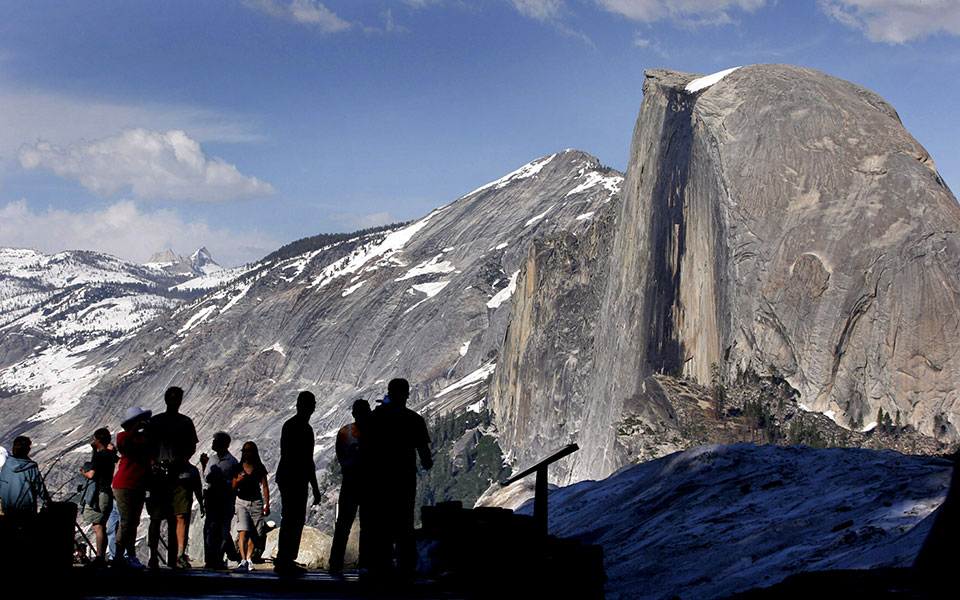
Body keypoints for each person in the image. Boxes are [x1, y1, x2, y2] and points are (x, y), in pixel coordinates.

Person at [366, 379, 432, 577]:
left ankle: (379, 564)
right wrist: (426, 462)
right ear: (407, 395)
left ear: (389, 392)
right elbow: (424, 453)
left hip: (380, 477)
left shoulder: (376, 418)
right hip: (404, 477)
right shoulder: (414, 419)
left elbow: (366, 448)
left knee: (380, 521)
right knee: (404, 521)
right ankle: (406, 565)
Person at [147, 386, 199, 569]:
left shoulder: (185, 422)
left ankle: (178, 554)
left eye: (176, 398)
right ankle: (154, 555)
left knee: (180, 516)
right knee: (157, 517)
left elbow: (192, 447)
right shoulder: (157, 422)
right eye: (172, 398)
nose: (174, 401)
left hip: (179, 475)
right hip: (161, 476)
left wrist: (178, 460)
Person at [274, 391, 322, 576]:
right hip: (295, 478)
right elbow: (307, 460)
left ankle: (285, 557)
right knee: (293, 519)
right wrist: (315, 488)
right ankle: (285, 558)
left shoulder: (291, 425)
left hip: (289, 477)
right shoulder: (301, 428)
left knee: (291, 518)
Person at [328, 399, 371, 576]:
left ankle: (346, 562)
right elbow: (340, 456)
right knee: (347, 524)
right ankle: (338, 562)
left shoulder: (362, 432)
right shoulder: (346, 432)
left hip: (362, 482)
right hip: (355, 482)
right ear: (354, 414)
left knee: (362, 525)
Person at [112, 406, 153, 569]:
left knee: (133, 521)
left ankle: (129, 556)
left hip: (139, 484)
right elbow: (123, 446)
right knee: (127, 521)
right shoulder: (123, 436)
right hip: (124, 483)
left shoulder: (145, 438)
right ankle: (119, 554)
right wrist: (135, 427)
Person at [80, 428, 118, 568]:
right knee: (102, 524)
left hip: (99, 494)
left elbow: (91, 475)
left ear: (98, 440)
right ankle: (101, 556)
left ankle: (100, 557)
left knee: (98, 526)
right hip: (107, 492)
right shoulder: (110, 455)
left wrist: (83, 472)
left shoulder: (100, 456)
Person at [200, 431, 239, 569]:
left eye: (216, 441)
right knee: (210, 528)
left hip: (225, 499)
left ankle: (219, 558)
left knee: (223, 529)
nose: (213, 443)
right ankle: (210, 559)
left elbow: (236, 482)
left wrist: (224, 482)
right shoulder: (212, 459)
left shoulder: (232, 462)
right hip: (212, 499)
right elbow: (206, 477)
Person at [232, 441, 270, 573]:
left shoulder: (259, 468)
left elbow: (265, 486)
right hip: (241, 501)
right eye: (244, 451)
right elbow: (232, 487)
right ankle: (243, 559)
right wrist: (237, 481)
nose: (246, 453)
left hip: (256, 502)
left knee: (255, 533)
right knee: (243, 530)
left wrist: (267, 504)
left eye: (248, 451)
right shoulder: (237, 468)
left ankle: (248, 558)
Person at [0, 436, 45, 517]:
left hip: (8, 509)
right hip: (27, 510)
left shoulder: (6, 465)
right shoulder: (31, 467)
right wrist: (48, 501)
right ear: (27, 450)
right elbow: (39, 487)